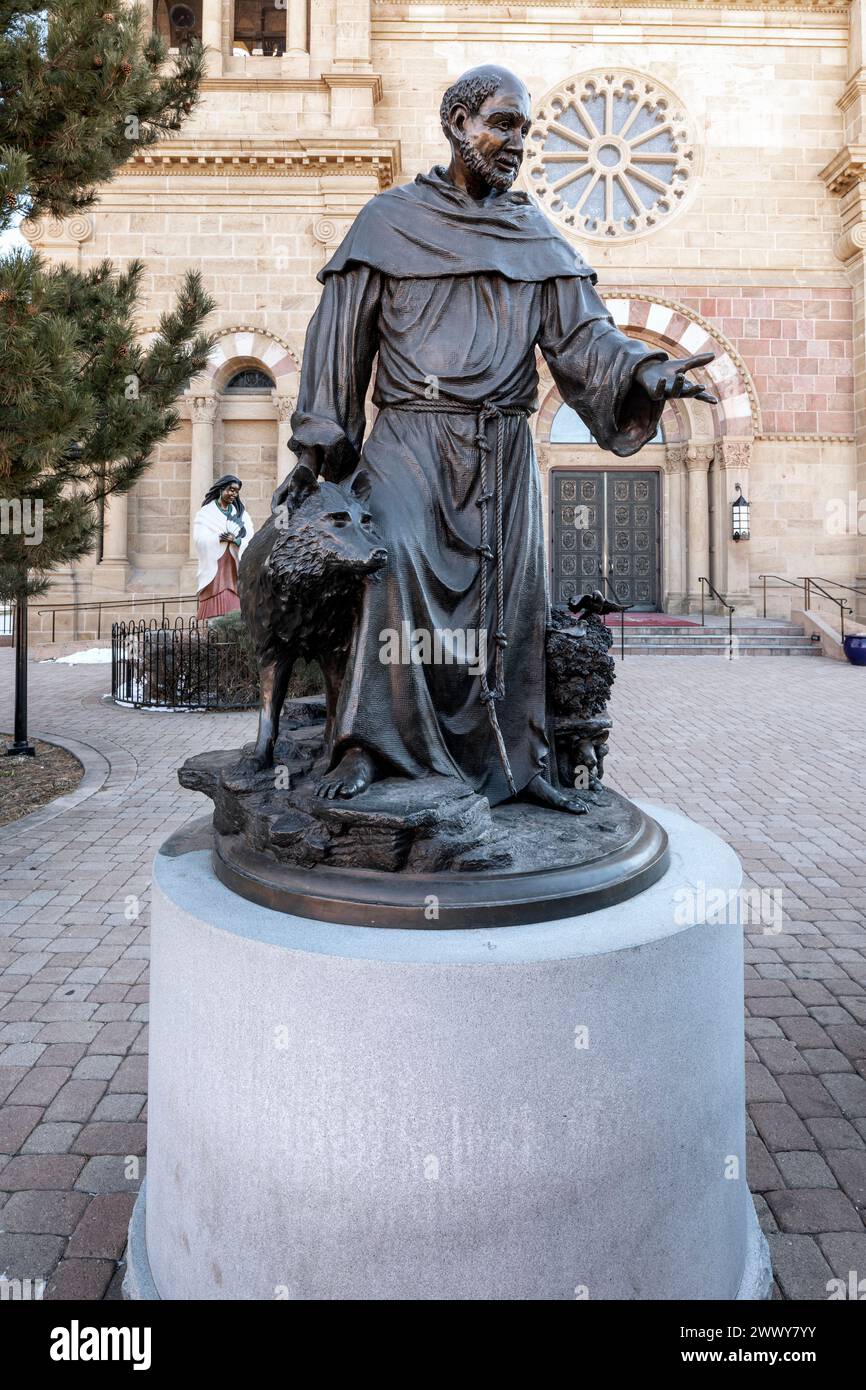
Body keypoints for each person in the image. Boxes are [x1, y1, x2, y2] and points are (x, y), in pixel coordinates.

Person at [278, 64, 715, 810]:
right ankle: (369, 749)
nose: (518, 142)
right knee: (389, 570)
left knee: (511, 607)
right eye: (503, 124)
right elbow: (340, 338)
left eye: (525, 129)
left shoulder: (535, 235)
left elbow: (585, 339)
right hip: (412, 444)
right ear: (457, 125)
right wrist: (322, 448)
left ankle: (516, 765)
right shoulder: (388, 222)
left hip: (505, 453)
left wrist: (646, 374)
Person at [193, 475, 254, 620]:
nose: (233, 494)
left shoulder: (241, 514)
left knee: (234, 593)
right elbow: (199, 538)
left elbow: (250, 537)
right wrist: (217, 538)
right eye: (230, 490)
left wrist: (237, 541)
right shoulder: (206, 513)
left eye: (236, 491)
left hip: (233, 563)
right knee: (216, 591)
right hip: (215, 562)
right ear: (221, 489)